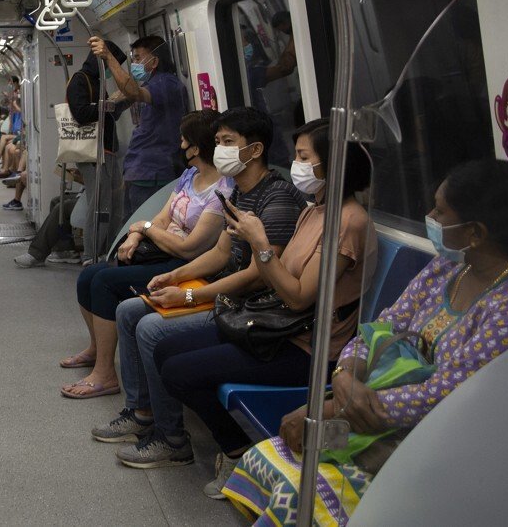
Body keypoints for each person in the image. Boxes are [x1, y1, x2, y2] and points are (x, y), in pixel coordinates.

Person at [222, 159, 508, 524]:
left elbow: (447, 395)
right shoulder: (452, 267)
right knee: (269, 454)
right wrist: (344, 374)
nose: (429, 215)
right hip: (378, 418)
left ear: (475, 232)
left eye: (440, 211)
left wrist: (330, 413)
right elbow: (385, 326)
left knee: (301, 495)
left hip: (446, 445)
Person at [148, 120, 375, 492]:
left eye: (304, 157)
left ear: (333, 165)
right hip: (279, 325)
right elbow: (275, 276)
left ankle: (238, 452)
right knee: (165, 347)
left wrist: (261, 245)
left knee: (178, 371)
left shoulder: (348, 222)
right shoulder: (313, 211)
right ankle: (238, 446)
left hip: (307, 347)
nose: (297, 165)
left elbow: (299, 295)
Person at [91, 108, 305, 459]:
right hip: (224, 292)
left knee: (149, 329)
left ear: (254, 150)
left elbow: (255, 275)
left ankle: (171, 438)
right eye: (217, 141)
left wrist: (189, 295)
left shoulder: (276, 199)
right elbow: (222, 253)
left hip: (248, 306)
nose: (218, 149)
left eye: (227, 142)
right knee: (129, 310)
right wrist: (173, 277)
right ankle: (141, 412)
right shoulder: (239, 193)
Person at [60, 110, 230, 398]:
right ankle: (96, 348)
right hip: (164, 251)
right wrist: (139, 232)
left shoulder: (223, 189)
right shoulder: (190, 175)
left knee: (104, 283)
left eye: (184, 140)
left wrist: (147, 229)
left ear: (197, 146)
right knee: (89, 274)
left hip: (186, 264)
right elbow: (162, 218)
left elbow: (192, 247)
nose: (180, 145)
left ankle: (105, 374)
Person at [91, 35, 187, 215]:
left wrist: (109, 58)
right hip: (141, 170)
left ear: (154, 61)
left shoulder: (166, 84)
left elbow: (134, 93)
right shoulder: (151, 82)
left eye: (137, 58)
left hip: (154, 172)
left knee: (142, 227)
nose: (134, 63)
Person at [68, 39, 130, 264]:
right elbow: (81, 113)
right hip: (93, 153)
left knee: (113, 203)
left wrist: (122, 102)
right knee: (99, 204)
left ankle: (109, 249)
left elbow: (107, 115)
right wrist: (108, 105)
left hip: (107, 148)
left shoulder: (97, 80)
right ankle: (91, 254)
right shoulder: (80, 80)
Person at [14, 164, 88, 267]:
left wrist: (80, 178)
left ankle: (36, 254)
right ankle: (64, 250)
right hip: (87, 194)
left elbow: (98, 185)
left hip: (97, 200)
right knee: (56, 201)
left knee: (62, 207)